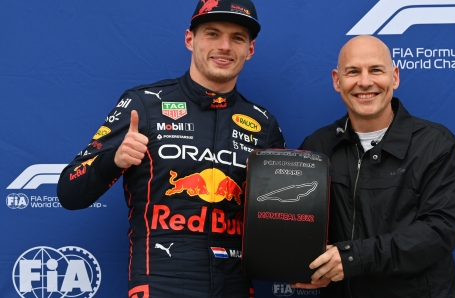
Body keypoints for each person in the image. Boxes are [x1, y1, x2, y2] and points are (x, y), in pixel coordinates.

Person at [57, 0, 285, 297]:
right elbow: (69, 192)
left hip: (235, 286)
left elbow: (279, 218)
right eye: (212, 34)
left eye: (237, 38)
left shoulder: (263, 123)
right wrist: (114, 160)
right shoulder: (145, 104)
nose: (225, 46)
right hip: (160, 283)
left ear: (250, 50)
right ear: (190, 40)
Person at [294, 35, 455, 297]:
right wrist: (303, 265)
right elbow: (301, 223)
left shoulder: (436, 144)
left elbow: (440, 231)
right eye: (353, 72)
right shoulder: (317, 146)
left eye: (376, 70)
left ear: (394, 76)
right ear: (337, 81)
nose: (365, 82)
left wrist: (353, 258)